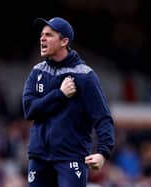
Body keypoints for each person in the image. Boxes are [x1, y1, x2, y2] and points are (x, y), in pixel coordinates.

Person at [22, 17, 115, 187]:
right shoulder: (37, 72)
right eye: (42, 35)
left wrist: (103, 153)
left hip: (71, 157)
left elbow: (103, 118)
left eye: (49, 35)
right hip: (39, 157)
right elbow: (29, 110)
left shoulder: (85, 76)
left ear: (64, 41)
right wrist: (60, 94)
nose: (42, 38)